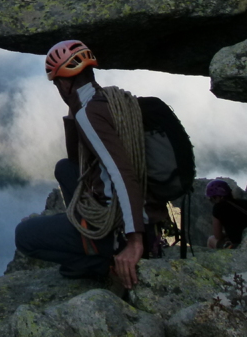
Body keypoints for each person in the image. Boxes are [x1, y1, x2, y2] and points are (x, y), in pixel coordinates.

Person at [14, 40, 166, 290]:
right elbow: (76, 160)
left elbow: (122, 172)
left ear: (63, 83)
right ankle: (86, 230)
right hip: (143, 208)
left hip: (120, 227)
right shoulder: (105, 100)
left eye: (56, 83)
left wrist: (134, 241)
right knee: (64, 168)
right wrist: (72, 112)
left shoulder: (90, 114)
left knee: (25, 236)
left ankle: (99, 259)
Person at [205, 179, 247, 248]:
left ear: (220, 197)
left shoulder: (218, 208)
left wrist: (228, 234)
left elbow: (218, 236)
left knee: (211, 239)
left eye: (212, 199)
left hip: (238, 246)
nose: (212, 202)